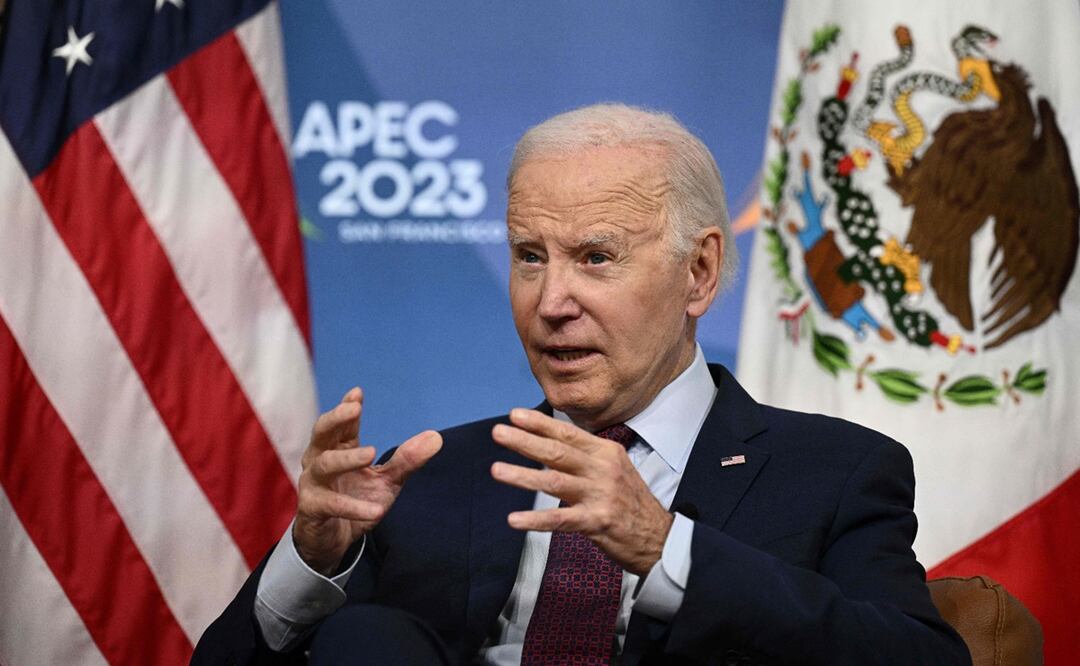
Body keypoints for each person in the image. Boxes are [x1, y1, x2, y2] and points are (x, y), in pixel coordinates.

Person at [193, 104, 971, 665]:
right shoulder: (430, 478)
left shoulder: (831, 471)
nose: (551, 301)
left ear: (698, 272)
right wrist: (315, 560)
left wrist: (668, 551)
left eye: (595, 258)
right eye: (530, 256)